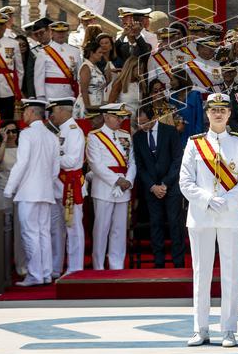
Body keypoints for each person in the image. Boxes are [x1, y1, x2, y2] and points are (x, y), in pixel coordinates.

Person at [179, 93, 238, 347]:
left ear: (230, 113)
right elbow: (185, 181)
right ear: (207, 113)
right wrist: (207, 199)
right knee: (201, 273)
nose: (218, 114)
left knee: (231, 273)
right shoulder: (194, 143)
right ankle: (200, 328)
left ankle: (228, 329)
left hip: (230, 215)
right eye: (214, 110)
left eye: (223, 109)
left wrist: (229, 200)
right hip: (201, 215)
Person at [3, 99, 60, 286]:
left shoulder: (27, 134)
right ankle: (45, 273)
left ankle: (35, 275)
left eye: (25, 111)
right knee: (43, 233)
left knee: (30, 233)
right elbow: (55, 169)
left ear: (32, 112)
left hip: (28, 192)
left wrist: (9, 188)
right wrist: (45, 184)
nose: (23, 114)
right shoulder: (52, 136)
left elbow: (21, 164)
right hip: (45, 191)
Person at [133, 104, 186, 268]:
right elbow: (139, 166)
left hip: (171, 186)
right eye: (139, 123)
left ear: (154, 118)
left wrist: (165, 184)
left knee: (175, 224)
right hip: (151, 189)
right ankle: (159, 262)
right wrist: (152, 186)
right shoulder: (138, 137)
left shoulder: (170, 131)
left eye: (144, 122)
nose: (142, 126)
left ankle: (178, 262)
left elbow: (177, 160)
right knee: (155, 224)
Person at [87, 103, 138, 270]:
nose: (120, 120)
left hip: (124, 187)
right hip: (104, 187)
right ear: (106, 116)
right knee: (101, 229)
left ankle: (117, 265)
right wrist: (117, 180)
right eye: (117, 117)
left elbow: (132, 161)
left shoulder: (126, 135)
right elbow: (95, 164)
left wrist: (128, 180)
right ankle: (98, 266)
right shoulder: (94, 137)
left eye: (121, 117)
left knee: (119, 229)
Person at [47, 98, 87, 278]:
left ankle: (75, 269)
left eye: (53, 111)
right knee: (56, 229)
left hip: (70, 186)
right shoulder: (60, 131)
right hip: (57, 186)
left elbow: (71, 161)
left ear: (63, 111)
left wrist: (50, 158)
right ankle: (56, 268)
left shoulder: (74, 131)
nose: (51, 115)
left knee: (73, 228)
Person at [0, 120, 26, 278]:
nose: (12, 134)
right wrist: (4, 140)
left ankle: (21, 266)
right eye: (8, 131)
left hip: (20, 192)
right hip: (3, 190)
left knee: (20, 229)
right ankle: (3, 267)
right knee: (3, 228)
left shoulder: (23, 148)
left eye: (14, 131)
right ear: (2, 133)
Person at [35, 21, 81, 102]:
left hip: (70, 92)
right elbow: (39, 77)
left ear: (67, 33)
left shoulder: (75, 51)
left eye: (63, 32)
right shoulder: (43, 52)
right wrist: (41, 96)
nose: (61, 34)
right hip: (51, 93)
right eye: (58, 32)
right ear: (51, 33)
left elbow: (79, 75)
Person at [75, 36, 113, 119]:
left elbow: (105, 83)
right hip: (88, 105)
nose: (102, 55)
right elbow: (84, 90)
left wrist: (108, 68)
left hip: (97, 104)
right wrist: (88, 107)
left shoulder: (95, 67)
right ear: (92, 53)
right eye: (99, 52)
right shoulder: (86, 67)